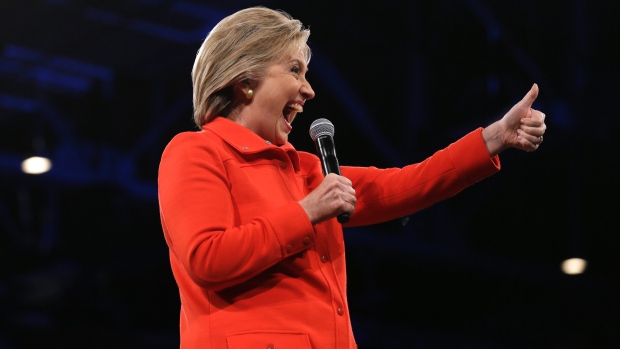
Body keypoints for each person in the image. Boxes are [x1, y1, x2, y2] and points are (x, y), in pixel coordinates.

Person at [157, 6, 546, 349]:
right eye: (294, 70)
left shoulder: (306, 170)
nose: (308, 90)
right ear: (244, 81)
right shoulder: (196, 151)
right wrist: (306, 211)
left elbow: (406, 185)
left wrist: (494, 138)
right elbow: (206, 258)